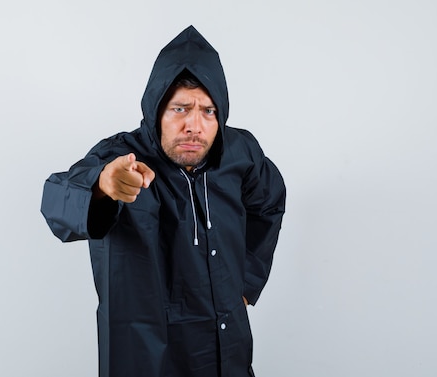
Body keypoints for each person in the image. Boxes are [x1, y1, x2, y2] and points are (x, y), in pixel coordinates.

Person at [41, 26, 286, 377]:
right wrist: (102, 186)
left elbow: (269, 202)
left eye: (208, 111)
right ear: (156, 110)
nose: (194, 126)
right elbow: (57, 199)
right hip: (148, 355)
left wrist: (246, 284)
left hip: (226, 347)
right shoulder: (122, 156)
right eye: (180, 109)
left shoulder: (239, 153)